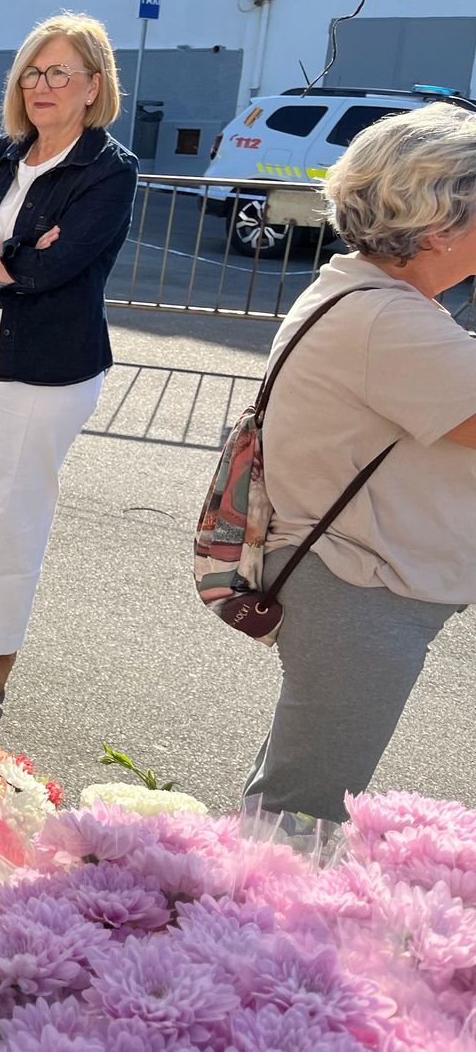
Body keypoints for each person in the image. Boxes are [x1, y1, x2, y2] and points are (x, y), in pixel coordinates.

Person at [243, 104, 476, 822]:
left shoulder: (364, 293)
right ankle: (251, 927)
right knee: (303, 807)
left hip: (350, 582)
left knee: (296, 787)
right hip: (361, 589)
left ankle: (246, 914)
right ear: (440, 229)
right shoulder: (388, 323)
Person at [0, 12, 137, 700]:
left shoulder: (109, 170)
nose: (43, 85)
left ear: (93, 86)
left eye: (60, 73)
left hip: (50, 364)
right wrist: (3, 258)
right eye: (33, 72)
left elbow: (56, 270)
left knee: (16, 506)